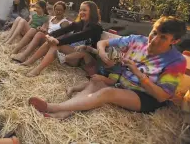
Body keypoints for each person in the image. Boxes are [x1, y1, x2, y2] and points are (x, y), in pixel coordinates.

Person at [28, 16, 187, 118]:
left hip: (145, 96)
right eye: (154, 32)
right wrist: (102, 52)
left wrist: (138, 74)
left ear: (175, 41)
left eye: (163, 38)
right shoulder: (137, 40)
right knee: (96, 81)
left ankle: (52, 107)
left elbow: (162, 96)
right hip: (121, 84)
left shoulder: (176, 61)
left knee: (107, 92)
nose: (153, 40)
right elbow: (102, 43)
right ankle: (64, 113)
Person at [22, 1, 103, 77]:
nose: (81, 12)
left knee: (56, 45)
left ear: (92, 12)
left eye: (84, 10)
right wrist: (50, 35)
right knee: (51, 43)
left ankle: (37, 70)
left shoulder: (96, 27)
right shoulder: (82, 23)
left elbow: (79, 36)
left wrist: (59, 41)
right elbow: (65, 30)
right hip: (73, 52)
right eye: (80, 10)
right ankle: (29, 61)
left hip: (83, 58)